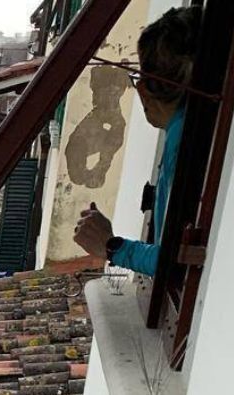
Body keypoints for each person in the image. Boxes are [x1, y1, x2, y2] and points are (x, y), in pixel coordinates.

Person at [73, 6, 203, 276]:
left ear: (146, 88)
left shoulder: (185, 137)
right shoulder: (196, 126)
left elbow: (177, 263)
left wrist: (111, 247)